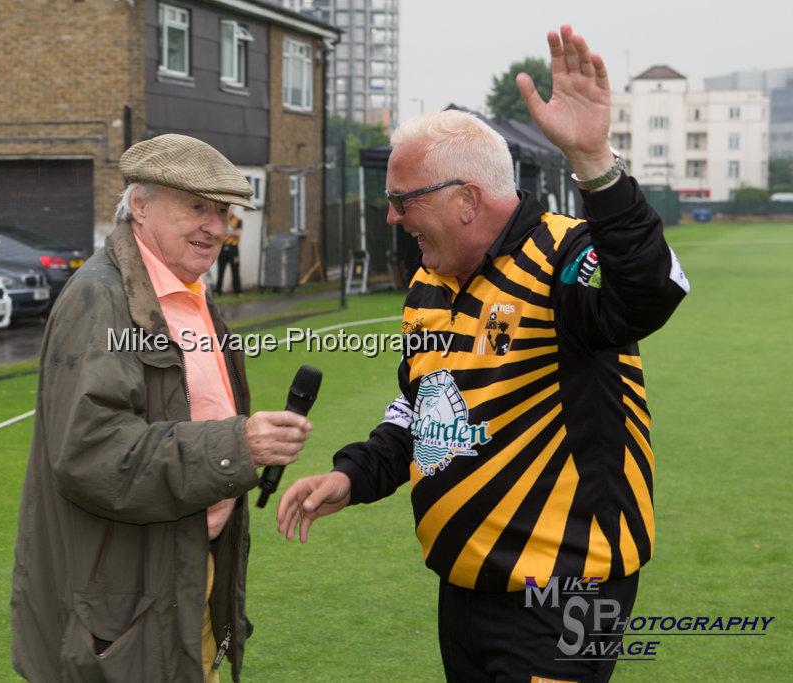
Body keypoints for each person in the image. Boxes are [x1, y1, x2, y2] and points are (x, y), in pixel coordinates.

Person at [277, 25, 689, 682]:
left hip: (569, 591)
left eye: (401, 200)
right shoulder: (427, 283)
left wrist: (594, 163)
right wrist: (354, 474)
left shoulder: (565, 254)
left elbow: (650, 290)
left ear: (466, 198)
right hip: (464, 590)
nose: (391, 217)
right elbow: (422, 406)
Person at [11, 134, 313, 682]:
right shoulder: (101, 298)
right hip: (126, 597)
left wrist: (243, 438)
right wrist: (236, 445)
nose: (217, 227)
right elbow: (92, 452)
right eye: (197, 207)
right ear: (141, 205)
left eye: (223, 212)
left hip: (183, 573)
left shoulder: (186, 289)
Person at [214, 211, 243, 296]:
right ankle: (218, 291)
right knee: (220, 270)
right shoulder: (222, 219)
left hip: (233, 248)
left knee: (235, 270)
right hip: (222, 248)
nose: (229, 210)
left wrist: (227, 232)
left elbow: (239, 233)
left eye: (231, 208)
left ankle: (238, 291)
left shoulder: (238, 220)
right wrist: (232, 232)